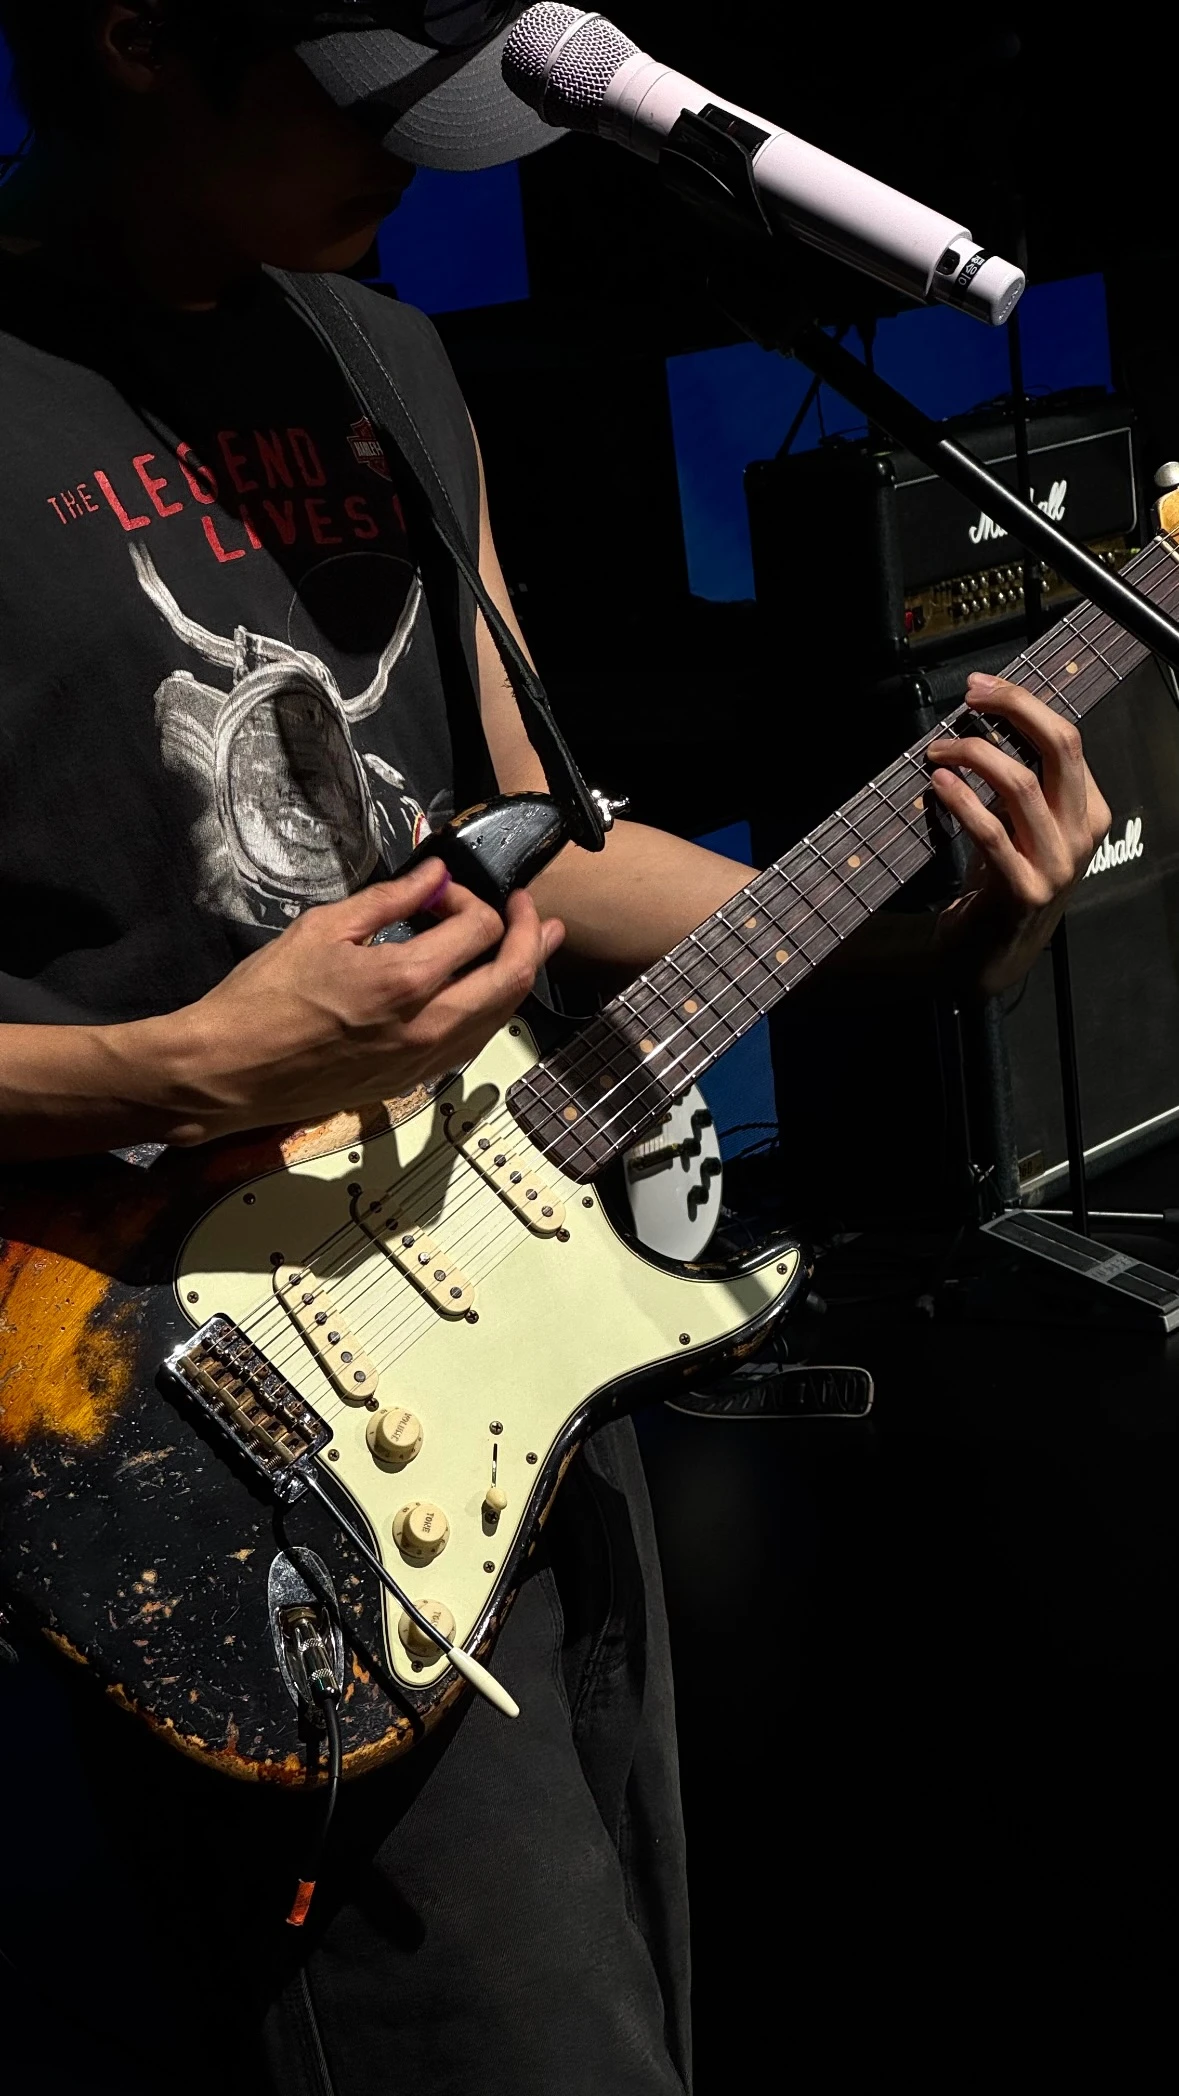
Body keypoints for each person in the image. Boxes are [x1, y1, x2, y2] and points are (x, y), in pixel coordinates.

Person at [0, 6, 1111, 2092]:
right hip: (194, 1432)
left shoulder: (379, 353)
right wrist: (186, 1065)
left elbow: (534, 835)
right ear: (139, 33)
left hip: (506, 1369)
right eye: (360, 97)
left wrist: (936, 931)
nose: (419, 162)